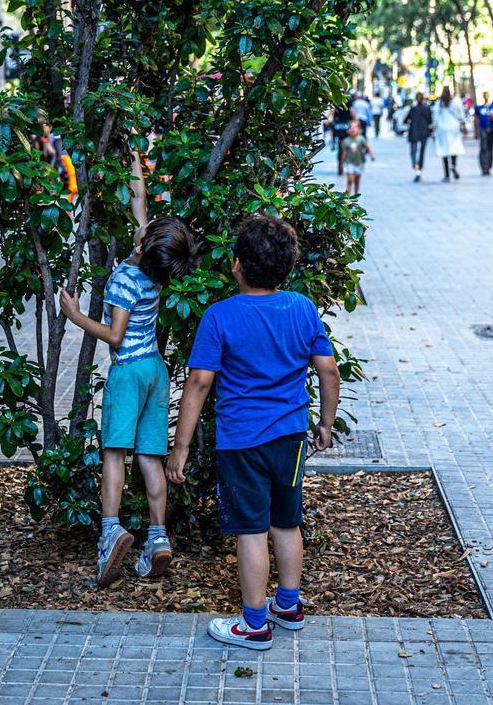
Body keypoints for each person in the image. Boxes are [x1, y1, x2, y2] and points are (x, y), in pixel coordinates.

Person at [167, 215, 340, 651]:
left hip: (242, 442)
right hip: (291, 438)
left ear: (236, 264)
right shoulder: (301, 307)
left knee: (251, 531)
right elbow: (328, 368)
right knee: (287, 522)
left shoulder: (219, 316)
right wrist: (325, 423)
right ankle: (289, 605)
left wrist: (180, 448)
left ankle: (254, 625)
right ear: (287, 266)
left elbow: (200, 383)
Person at [59, 152, 197, 588]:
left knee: (114, 453)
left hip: (130, 370)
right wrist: (135, 161)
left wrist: (76, 314)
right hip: (156, 370)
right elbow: (139, 203)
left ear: (144, 246)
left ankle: (110, 531)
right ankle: (158, 538)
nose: (140, 232)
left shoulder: (124, 278)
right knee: (150, 457)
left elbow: (115, 337)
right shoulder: (158, 267)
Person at [433, 87, 466, 181]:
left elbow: (435, 117)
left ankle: (447, 174)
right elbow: (461, 115)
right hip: (454, 128)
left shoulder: (439, 103)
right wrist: (463, 125)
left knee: (444, 151)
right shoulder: (455, 102)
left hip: (442, 129)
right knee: (454, 149)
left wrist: (434, 128)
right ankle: (453, 165)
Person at [339, 120, 374, 195]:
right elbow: (343, 153)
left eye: (355, 127)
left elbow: (367, 147)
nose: (352, 129)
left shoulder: (361, 139)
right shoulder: (345, 141)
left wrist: (371, 155)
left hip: (359, 162)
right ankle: (348, 196)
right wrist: (341, 164)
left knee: (357, 180)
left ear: (359, 129)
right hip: (349, 162)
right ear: (348, 130)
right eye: (351, 127)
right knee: (350, 179)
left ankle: (355, 195)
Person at [406, 92, 432, 182]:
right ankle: (419, 169)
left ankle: (415, 166)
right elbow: (430, 120)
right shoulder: (427, 108)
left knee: (413, 151)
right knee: (421, 152)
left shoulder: (413, 109)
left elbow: (406, 119)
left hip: (414, 131)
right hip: (424, 132)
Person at [475, 92, 493, 175]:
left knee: (490, 148)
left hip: (492, 130)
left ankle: (489, 166)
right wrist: (476, 131)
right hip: (483, 129)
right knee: (484, 147)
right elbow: (476, 119)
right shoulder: (479, 107)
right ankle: (484, 167)